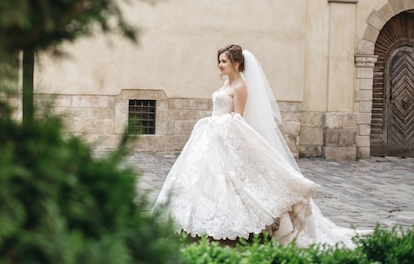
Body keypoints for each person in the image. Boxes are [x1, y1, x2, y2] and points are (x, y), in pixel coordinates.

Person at [153, 45, 368, 247]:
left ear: (236, 64)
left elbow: (238, 116)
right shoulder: (227, 83)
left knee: (234, 182)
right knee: (201, 176)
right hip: (212, 135)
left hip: (224, 134)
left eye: (223, 62)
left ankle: (236, 228)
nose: (219, 65)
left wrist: (217, 123)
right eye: (219, 61)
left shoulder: (240, 86)